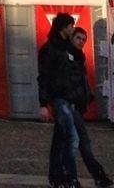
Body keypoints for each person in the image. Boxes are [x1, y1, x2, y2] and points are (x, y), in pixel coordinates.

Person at [38, 12, 86, 188]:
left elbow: (77, 68)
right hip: (59, 99)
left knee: (60, 140)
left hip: (70, 98)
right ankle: (70, 176)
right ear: (63, 28)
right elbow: (43, 77)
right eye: (71, 26)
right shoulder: (49, 49)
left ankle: (56, 176)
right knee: (72, 138)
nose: (73, 29)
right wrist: (43, 104)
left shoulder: (67, 47)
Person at [62, 27, 113, 188]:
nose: (81, 42)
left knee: (75, 142)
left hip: (77, 105)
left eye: (84, 39)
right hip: (69, 106)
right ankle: (81, 176)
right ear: (72, 38)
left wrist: (88, 95)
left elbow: (81, 81)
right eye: (78, 38)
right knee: (77, 142)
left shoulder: (79, 56)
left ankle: (90, 175)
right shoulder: (66, 56)